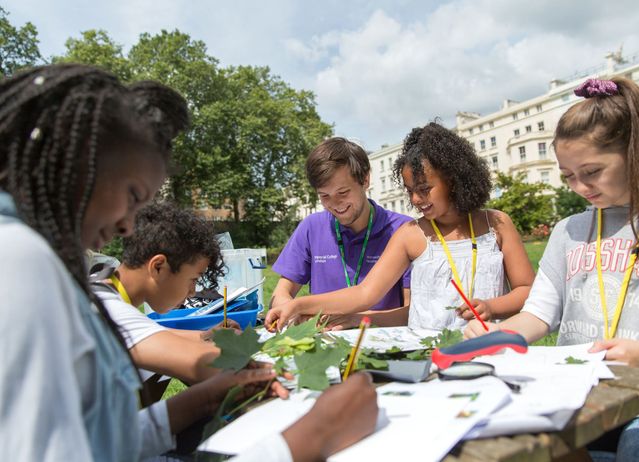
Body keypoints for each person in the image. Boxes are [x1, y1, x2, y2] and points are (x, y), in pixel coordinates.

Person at [0, 64, 377, 461]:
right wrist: (312, 437)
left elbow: (101, 442)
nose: (128, 225)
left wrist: (198, 402)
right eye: (131, 194)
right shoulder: (21, 259)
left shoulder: (39, 257)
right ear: (75, 166)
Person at [464, 77, 639, 462]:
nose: (580, 186)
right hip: (580, 395)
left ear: (636, 154)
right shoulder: (568, 231)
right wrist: (498, 334)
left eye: (592, 171)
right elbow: (538, 314)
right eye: (568, 175)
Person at [266, 122, 534, 331]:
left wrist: (492, 306)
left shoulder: (497, 223)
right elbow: (365, 293)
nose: (416, 199)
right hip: (427, 351)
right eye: (410, 191)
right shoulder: (410, 235)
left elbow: (527, 290)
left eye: (424, 189)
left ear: (454, 179)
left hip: (489, 343)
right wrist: (299, 305)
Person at [90, 201, 238, 401]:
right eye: (193, 280)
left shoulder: (104, 286)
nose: (193, 293)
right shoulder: (107, 310)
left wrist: (206, 336)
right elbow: (209, 364)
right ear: (158, 267)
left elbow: (151, 333)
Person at [271, 137, 413, 322]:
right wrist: (289, 311)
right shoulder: (311, 227)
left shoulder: (404, 229)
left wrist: (357, 320)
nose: (335, 204)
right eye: (324, 196)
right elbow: (280, 293)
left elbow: (412, 312)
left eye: (343, 193)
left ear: (365, 179)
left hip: (382, 344)